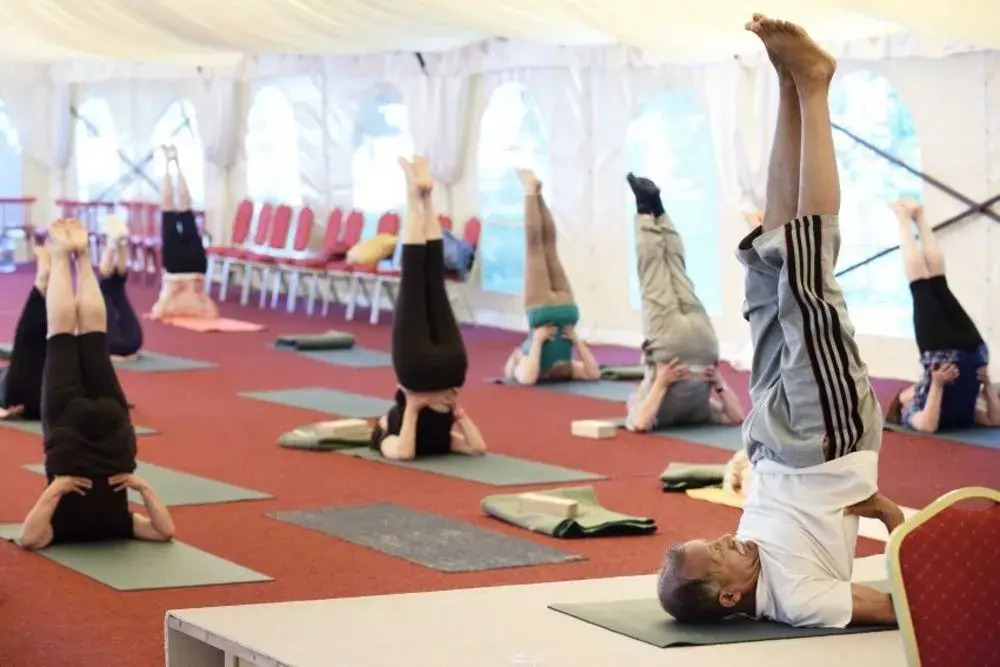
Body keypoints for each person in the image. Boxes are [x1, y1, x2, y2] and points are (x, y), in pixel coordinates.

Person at [656, 15, 903, 629]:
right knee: (806, 274)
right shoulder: (798, 598)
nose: (724, 538)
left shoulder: (752, 558)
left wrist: (751, 468)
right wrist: (897, 526)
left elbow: (770, 526)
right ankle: (814, 85)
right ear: (730, 596)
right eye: (717, 554)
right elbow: (907, 610)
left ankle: (788, 88)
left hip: (767, 441)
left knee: (767, 271)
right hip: (824, 443)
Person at [19, 218, 174, 549]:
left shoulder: (116, 525)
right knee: (62, 335)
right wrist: (143, 487)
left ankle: (83, 255)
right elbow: (165, 531)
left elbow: (29, 539)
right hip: (80, 440)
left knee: (93, 337)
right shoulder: (106, 526)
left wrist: (56, 490)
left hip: (107, 442)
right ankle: (65, 254)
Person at [368, 156, 487, 461]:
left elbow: (476, 447)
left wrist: (452, 411)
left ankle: (426, 197)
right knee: (417, 278)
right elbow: (405, 453)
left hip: (450, 372)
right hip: (418, 372)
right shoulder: (384, 437)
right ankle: (415, 196)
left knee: (433, 279)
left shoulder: (440, 439)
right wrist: (413, 407)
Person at [624, 174, 744, 431]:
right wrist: (661, 383)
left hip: (703, 348)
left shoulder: (700, 412)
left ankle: (657, 208)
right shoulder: (662, 405)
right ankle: (647, 208)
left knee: (676, 267)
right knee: (654, 273)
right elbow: (640, 423)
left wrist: (664, 383)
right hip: (675, 348)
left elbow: (736, 416)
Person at [883, 199, 999, 432]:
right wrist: (987, 384)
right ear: (901, 405)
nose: (909, 390)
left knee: (936, 282)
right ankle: (905, 219)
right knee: (924, 284)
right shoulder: (910, 411)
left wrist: (935, 384)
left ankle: (918, 216)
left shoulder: (924, 401)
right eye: (902, 394)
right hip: (963, 355)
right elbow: (929, 426)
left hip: (953, 357)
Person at [502, 170, 601, 385]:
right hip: (550, 311)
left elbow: (527, 378)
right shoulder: (555, 364)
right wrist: (576, 341)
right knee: (541, 247)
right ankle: (533, 192)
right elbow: (594, 374)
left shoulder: (525, 361)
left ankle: (535, 193)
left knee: (544, 247)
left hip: (558, 312)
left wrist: (537, 342)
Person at [149, 145, 219, 320]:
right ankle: (173, 163)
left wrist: (173, 293)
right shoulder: (191, 303)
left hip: (176, 271)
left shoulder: (170, 305)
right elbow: (214, 314)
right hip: (193, 271)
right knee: (182, 209)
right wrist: (199, 293)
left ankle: (170, 163)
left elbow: (156, 314)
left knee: (175, 208)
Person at [99, 215, 144, 358]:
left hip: (121, 343)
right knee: (113, 285)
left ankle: (115, 243)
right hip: (127, 343)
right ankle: (117, 244)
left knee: (110, 285)